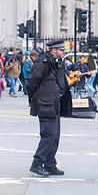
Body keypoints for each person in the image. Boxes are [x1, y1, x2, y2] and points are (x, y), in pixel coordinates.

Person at [27, 38, 67, 177]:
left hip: (54, 103)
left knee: (55, 136)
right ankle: (37, 163)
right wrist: (35, 99)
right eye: (62, 50)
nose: (64, 52)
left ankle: (50, 164)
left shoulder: (57, 63)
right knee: (48, 134)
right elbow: (32, 83)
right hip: (45, 104)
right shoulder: (44, 63)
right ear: (54, 50)